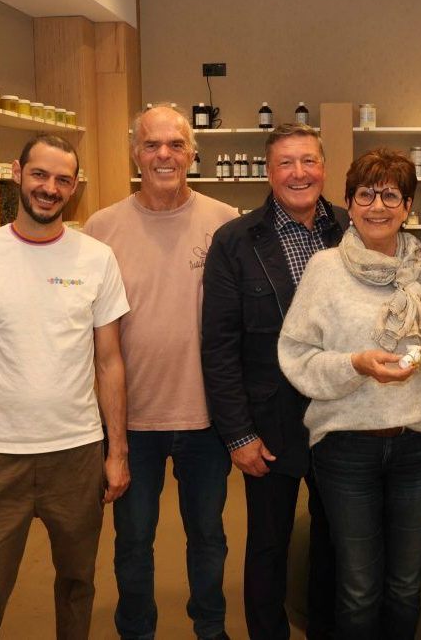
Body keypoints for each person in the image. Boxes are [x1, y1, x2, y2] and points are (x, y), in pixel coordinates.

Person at [0, 134, 131, 639]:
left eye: (63, 179)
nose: (50, 188)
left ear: (74, 188)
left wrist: (117, 452)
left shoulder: (97, 259)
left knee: (78, 583)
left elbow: (109, 361)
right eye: (40, 174)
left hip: (76, 452)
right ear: (18, 173)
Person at [278, 148, 421, 640]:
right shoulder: (324, 269)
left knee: (405, 584)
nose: (377, 206)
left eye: (390, 196)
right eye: (365, 194)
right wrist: (355, 365)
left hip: (418, 441)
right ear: (348, 202)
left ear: (408, 206)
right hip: (345, 447)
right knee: (359, 587)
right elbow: (296, 354)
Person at [85, 105, 237, 640]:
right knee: (132, 541)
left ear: (192, 153)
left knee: (208, 537)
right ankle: (136, 632)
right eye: (152, 145)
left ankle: (210, 629)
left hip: (205, 418)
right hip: (131, 421)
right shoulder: (101, 228)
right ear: (136, 153)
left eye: (175, 144)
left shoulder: (225, 222)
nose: (164, 155)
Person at [202, 123, 345, 640]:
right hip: (271, 422)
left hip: (342, 417)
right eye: (286, 162)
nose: (298, 173)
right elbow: (218, 347)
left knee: (337, 543)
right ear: (268, 171)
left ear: (324, 167)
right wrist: (238, 434)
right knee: (268, 546)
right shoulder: (236, 241)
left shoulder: (351, 229)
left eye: (309, 161)